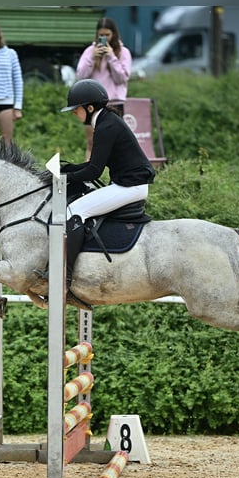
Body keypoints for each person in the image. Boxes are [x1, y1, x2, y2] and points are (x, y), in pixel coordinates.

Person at [57, 79, 155, 308]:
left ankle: (65, 278)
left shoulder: (105, 127)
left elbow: (94, 171)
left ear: (89, 108)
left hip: (129, 188)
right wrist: (67, 168)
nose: (74, 114)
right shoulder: (107, 121)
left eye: (76, 109)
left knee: (74, 210)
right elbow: (93, 164)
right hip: (127, 184)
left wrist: (63, 178)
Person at [74, 17, 132, 160]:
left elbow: (122, 78)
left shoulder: (123, 52)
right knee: (91, 142)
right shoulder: (90, 51)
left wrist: (111, 57)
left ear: (114, 34)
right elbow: (80, 76)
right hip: (92, 103)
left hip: (114, 103)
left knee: (116, 143)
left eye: (107, 35)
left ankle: (116, 177)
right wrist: (92, 58)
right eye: (101, 35)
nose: (104, 38)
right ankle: (88, 178)